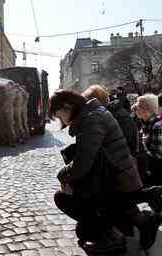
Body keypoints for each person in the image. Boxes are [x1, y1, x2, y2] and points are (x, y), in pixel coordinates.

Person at [49, 89, 161, 254]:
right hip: (117, 178)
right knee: (84, 222)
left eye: (59, 116)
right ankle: (135, 221)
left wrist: (63, 177)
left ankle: (112, 237)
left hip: (117, 183)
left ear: (67, 107)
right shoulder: (93, 114)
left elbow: (82, 163)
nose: (61, 121)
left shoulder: (92, 119)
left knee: (62, 197)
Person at [135, 94, 162, 185]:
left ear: (146, 109)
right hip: (149, 171)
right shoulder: (145, 124)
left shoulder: (157, 126)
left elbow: (159, 155)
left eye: (138, 106)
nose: (135, 109)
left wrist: (140, 153)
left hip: (157, 176)